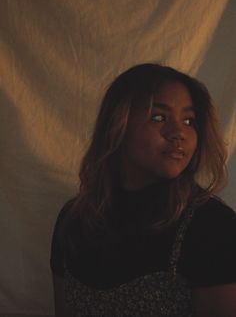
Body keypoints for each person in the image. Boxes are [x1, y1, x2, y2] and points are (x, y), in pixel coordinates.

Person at [50, 63, 236, 317]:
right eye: (159, 117)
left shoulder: (212, 226)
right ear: (118, 125)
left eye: (189, 120)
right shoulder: (74, 219)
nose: (179, 132)